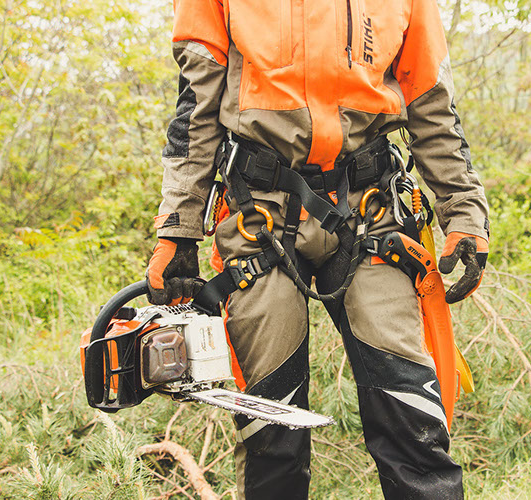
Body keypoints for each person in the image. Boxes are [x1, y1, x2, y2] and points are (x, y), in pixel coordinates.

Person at [146, 0, 490, 498]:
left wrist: (464, 213)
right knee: (271, 430)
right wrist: (178, 231)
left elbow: (431, 100)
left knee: (413, 420)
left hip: (371, 209)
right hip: (258, 213)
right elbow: (195, 101)